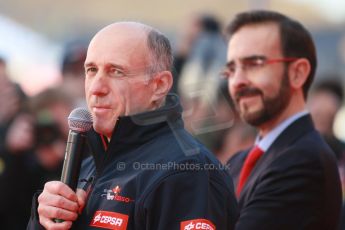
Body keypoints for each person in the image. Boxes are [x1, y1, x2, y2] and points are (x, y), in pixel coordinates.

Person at [27, 22, 238, 229]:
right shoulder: (88, 164)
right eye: (91, 70)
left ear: (159, 85)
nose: (97, 88)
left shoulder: (187, 171)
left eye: (116, 71)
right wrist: (44, 219)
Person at [223, 10, 342, 229]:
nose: (237, 81)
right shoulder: (239, 161)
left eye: (254, 64)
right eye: (231, 69)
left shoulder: (304, 160)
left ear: (298, 73)